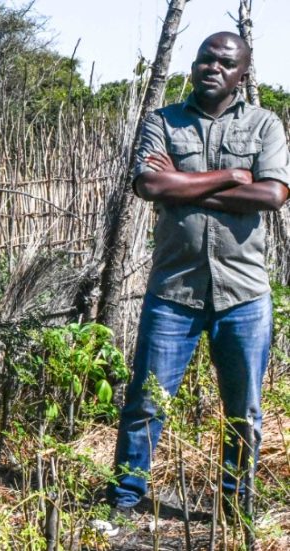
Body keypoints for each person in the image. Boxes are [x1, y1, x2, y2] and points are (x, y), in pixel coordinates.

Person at [109, 32, 290, 520]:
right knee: (147, 403)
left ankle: (236, 510)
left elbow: (273, 196)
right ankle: (125, 500)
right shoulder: (162, 121)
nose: (212, 67)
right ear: (192, 64)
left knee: (244, 411)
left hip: (244, 294)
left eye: (225, 62)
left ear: (243, 74)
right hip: (174, 289)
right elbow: (149, 183)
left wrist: (183, 189)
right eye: (205, 59)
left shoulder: (264, 124)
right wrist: (232, 177)